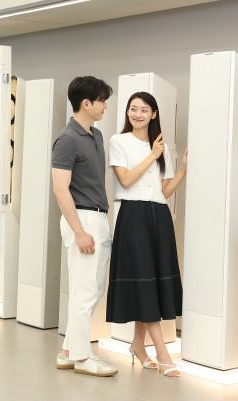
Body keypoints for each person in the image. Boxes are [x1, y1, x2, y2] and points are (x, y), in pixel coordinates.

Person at [106, 92, 188, 377]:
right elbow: (126, 180)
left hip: (159, 215)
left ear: (154, 114)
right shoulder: (119, 141)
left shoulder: (159, 145)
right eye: (133, 109)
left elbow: (164, 191)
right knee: (144, 280)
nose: (137, 114)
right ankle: (162, 353)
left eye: (143, 110)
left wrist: (183, 170)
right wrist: (152, 154)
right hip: (134, 215)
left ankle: (138, 346)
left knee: (149, 283)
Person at [51, 76, 118, 377]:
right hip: (82, 218)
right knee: (84, 292)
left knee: (93, 289)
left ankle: (68, 351)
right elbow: (60, 189)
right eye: (101, 100)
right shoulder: (67, 140)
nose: (105, 106)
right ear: (86, 103)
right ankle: (82, 357)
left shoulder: (96, 135)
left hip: (98, 217)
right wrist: (79, 231)